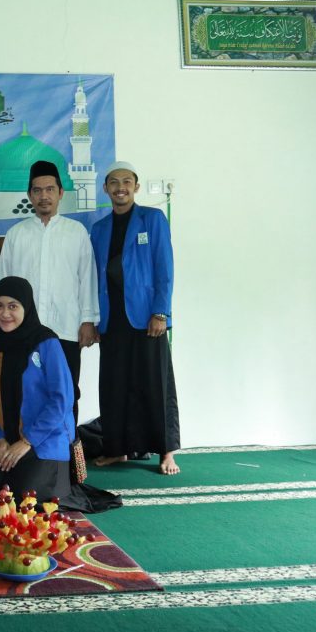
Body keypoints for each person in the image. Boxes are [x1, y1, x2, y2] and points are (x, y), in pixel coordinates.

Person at [90, 161, 181, 475]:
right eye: (114, 182)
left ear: (136, 187)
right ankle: (118, 449)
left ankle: (167, 451)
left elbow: (164, 269)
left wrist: (161, 312)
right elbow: (95, 278)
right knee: (114, 386)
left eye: (126, 182)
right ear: (106, 188)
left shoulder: (152, 219)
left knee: (154, 383)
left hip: (146, 319)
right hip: (113, 319)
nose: (120, 188)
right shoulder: (99, 229)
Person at [0, 160, 99, 415]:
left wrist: (88, 321)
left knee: (66, 392)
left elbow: (87, 279)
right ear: (30, 195)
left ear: (61, 193)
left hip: (65, 328)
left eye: (50, 189)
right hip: (22, 332)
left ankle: (67, 452)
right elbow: (3, 282)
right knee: (23, 392)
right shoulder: (16, 234)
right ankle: (25, 452)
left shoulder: (77, 232)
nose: (44, 196)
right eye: (38, 190)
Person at [0, 277, 75, 507]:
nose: (5, 313)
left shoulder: (46, 342)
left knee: (23, 500)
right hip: (3, 441)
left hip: (43, 441)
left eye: (13, 306)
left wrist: (28, 440)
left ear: (26, 307)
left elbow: (62, 399)